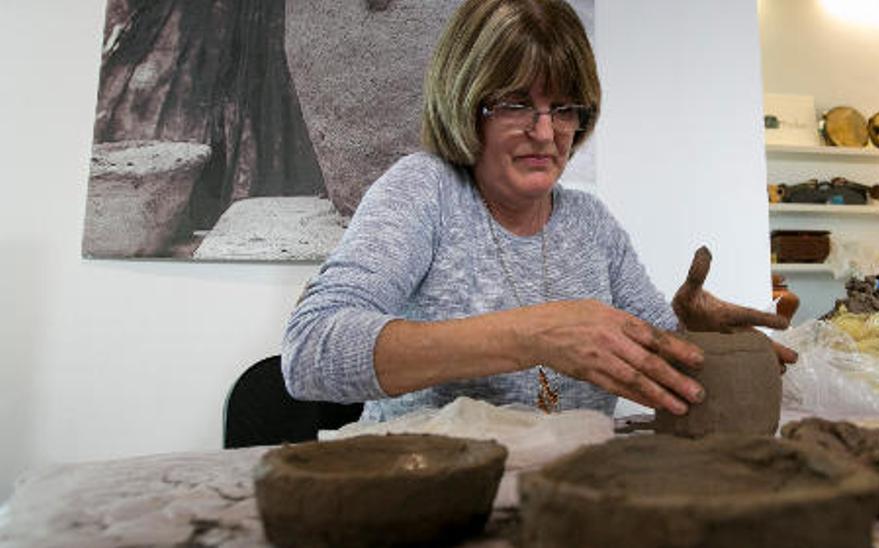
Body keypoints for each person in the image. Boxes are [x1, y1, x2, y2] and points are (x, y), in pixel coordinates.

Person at [282, 0, 795, 423]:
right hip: (428, 498)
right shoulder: (425, 192)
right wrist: (533, 335)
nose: (546, 134)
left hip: (562, 499)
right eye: (515, 104)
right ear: (465, 101)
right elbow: (309, 353)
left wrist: (696, 338)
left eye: (564, 107)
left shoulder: (591, 226)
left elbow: (663, 372)